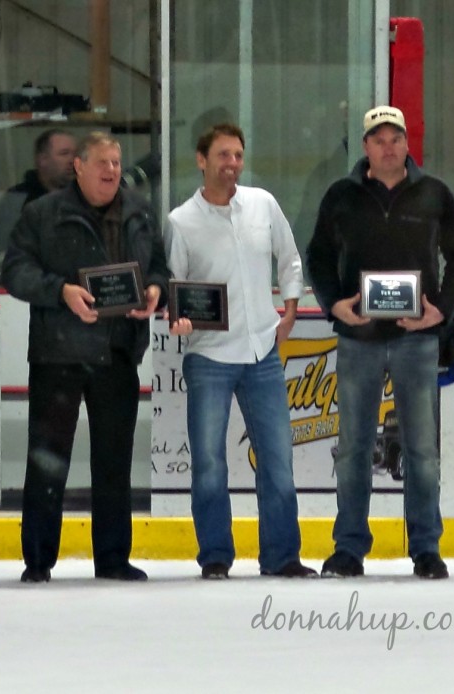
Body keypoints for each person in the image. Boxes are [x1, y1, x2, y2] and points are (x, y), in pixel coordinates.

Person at [306, 105, 454, 580]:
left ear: (406, 143)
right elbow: (318, 256)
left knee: (420, 448)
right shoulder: (341, 196)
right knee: (354, 447)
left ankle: (425, 548)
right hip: (357, 339)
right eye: (378, 139)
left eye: (395, 138)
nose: (387, 147)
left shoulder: (434, 194)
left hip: (416, 342)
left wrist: (440, 308)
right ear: (365, 147)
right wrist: (334, 304)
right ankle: (348, 549)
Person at [2, 131, 170, 583]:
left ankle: (113, 558)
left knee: (114, 461)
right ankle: (38, 560)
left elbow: (158, 266)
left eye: (116, 162)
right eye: (102, 163)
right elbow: (15, 270)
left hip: (117, 352)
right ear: (78, 166)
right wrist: (60, 292)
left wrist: (155, 291)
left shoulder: (139, 210)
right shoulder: (41, 213)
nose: (112, 171)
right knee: (47, 460)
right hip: (58, 354)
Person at [167, 123, 317, 580]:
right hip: (208, 356)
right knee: (209, 463)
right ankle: (215, 555)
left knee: (278, 460)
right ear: (201, 160)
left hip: (262, 353)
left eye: (237, 155)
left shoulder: (263, 205)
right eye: (222, 155)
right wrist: (180, 318)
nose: (231, 164)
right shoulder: (180, 222)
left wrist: (290, 310)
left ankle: (281, 556)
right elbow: (176, 287)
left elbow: (289, 259)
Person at [0, 128, 76, 286]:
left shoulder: (85, 198)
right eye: (64, 153)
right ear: (42, 159)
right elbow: (3, 257)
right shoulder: (15, 200)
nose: (72, 160)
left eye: (75, 154)